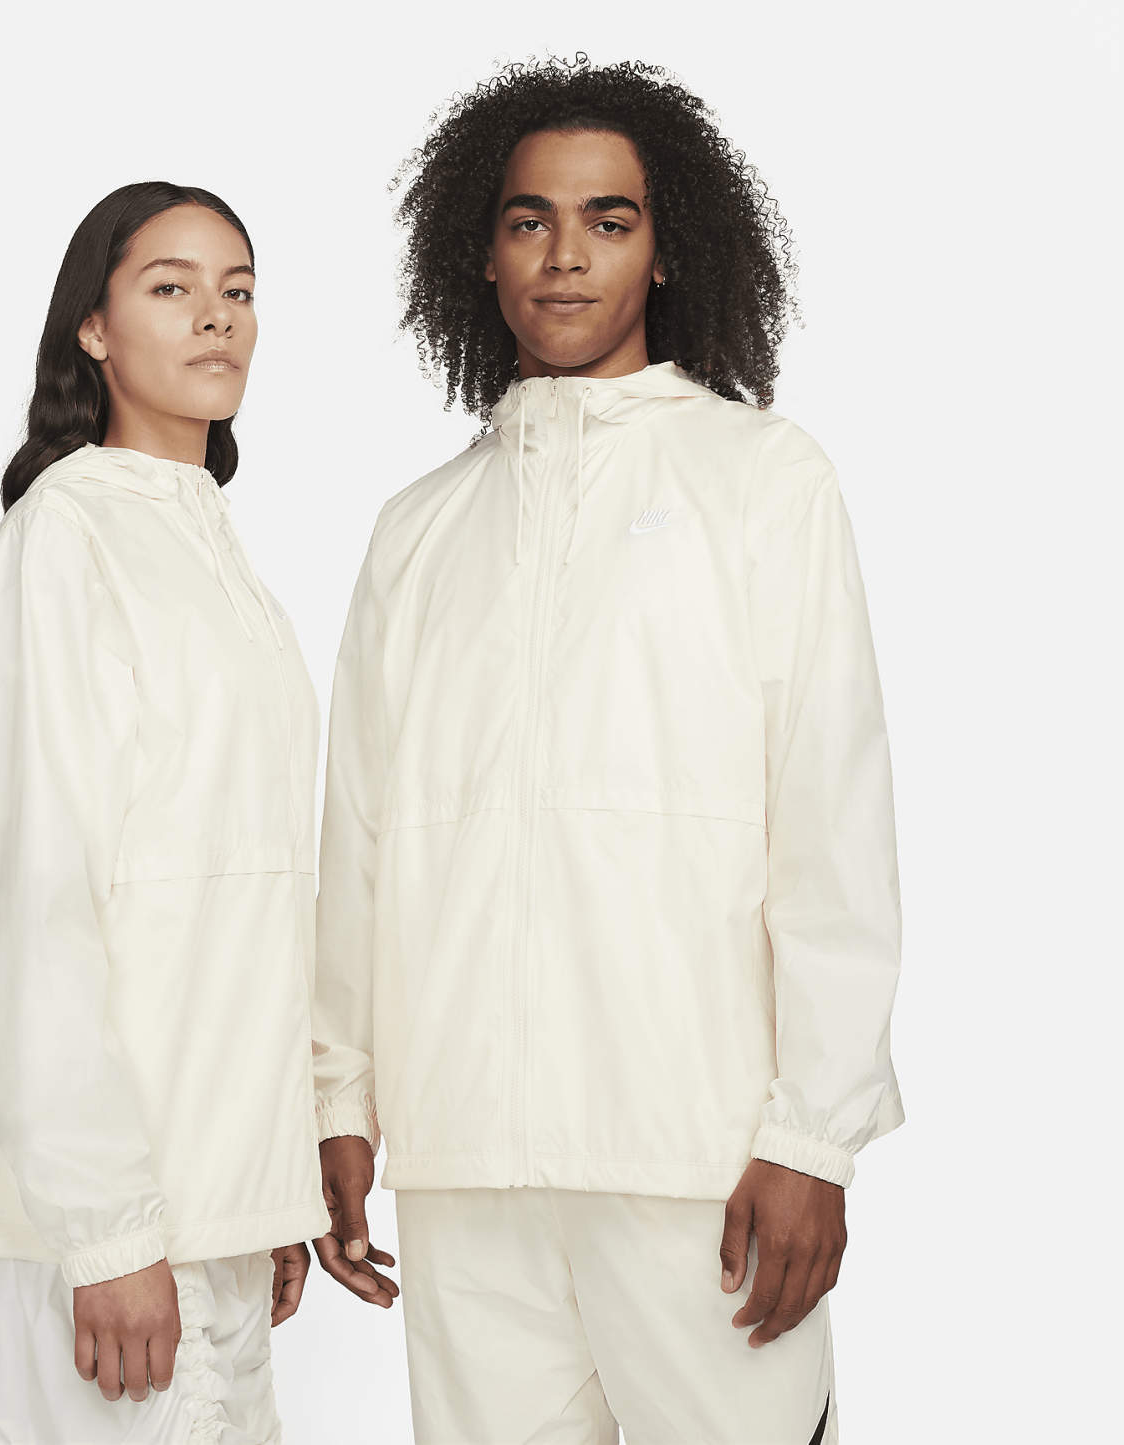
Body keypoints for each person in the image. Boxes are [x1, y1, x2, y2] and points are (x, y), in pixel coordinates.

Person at [310, 58, 903, 1445]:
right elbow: (358, 835)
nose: (564, 254)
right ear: (482, 252)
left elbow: (829, 815)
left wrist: (812, 1137)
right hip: (465, 1163)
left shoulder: (762, 480)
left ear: (665, 248)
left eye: (608, 220)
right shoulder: (419, 528)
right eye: (529, 220)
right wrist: (338, 1095)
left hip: (692, 1154)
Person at [0, 181, 327, 1444]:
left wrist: (266, 1181)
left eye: (237, 290)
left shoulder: (207, 547)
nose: (216, 316)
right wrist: (104, 1231)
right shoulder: (65, 538)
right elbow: (33, 898)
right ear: (92, 327)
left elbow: (244, 900)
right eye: (170, 286)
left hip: (206, 1206)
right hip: (101, 1225)